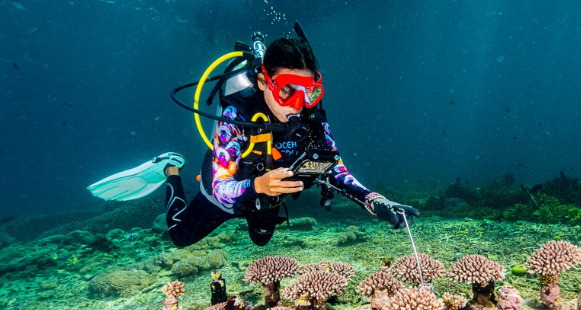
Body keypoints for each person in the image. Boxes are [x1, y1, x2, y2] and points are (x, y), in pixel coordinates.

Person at [90, 32, 419, 247]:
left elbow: (334, 167)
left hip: (270, 194)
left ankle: (259, 208)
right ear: (263, 81)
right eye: (287, 90)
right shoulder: (237, 114)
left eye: (309, 92)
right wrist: (257, 186)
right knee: (180, 237)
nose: (298, 105)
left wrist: (375, 201)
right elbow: (222, 186)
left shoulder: (311, 114)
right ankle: (170, 169)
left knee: (261, 240)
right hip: (231, 189)